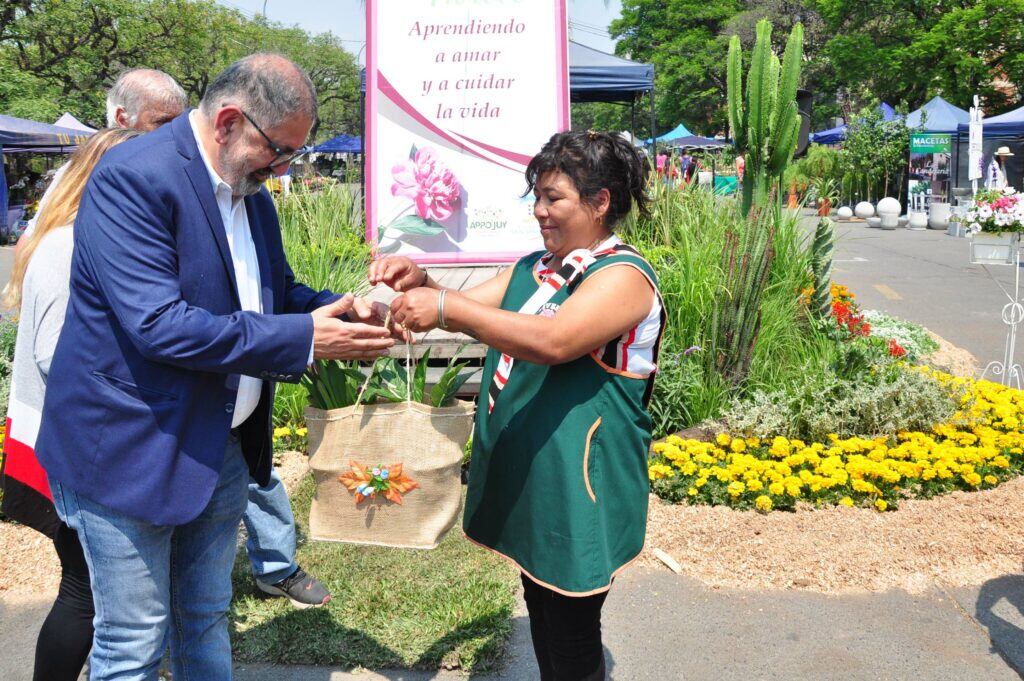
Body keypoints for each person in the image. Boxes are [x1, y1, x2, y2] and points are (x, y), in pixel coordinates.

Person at [35, 53, 396, 680]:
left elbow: (272, 294)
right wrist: (308, 338)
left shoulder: (249, 192)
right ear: (229, 121)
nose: (285, 168)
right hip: (129, 446)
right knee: (134, 640)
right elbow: (158, 325)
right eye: (279, 151)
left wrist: (337, 309)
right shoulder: (134, 176)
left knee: (203, 615)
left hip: (220, 443)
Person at [370, 130, 665, 681]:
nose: (539, 211)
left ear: (600, 203)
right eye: (538, 197)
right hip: (538, 471)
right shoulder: (539, 267)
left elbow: (553, 342)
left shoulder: (623, 277)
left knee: (573, 628)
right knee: (542, 603)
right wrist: (423, 282)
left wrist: (443, 306)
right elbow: (472, 307)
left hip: (580, 479)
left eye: (555, 198)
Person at [1, 129, 138, 681]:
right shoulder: (69, 245)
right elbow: (57, 356)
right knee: (85, 592)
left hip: (75, 441)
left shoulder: (84, 237)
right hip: (63, 446)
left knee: (93, 592)